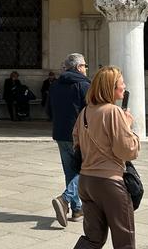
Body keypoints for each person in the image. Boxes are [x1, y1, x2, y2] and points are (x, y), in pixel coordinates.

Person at [72, 66, 140, 249]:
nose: (124, 86)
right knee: (124, 240)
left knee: (93, 239)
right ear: (111, 87)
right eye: (121, 83)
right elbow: (127, 151)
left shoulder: (84, 113)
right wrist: (128, 127)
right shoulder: (114, 112)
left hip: (86, 182)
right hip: (109, 183)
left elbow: (76, 145)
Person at [49, 54, 90, 227]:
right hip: (78, 135)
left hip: (60, 133)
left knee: (70, 171)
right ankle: (65, 198)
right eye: (85, 65)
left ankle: (77, 209)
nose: (86, 69)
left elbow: (48, 110)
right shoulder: (84, 84)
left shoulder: (55, 85)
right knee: (84, 168)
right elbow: (90, 111)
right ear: (79, 67)